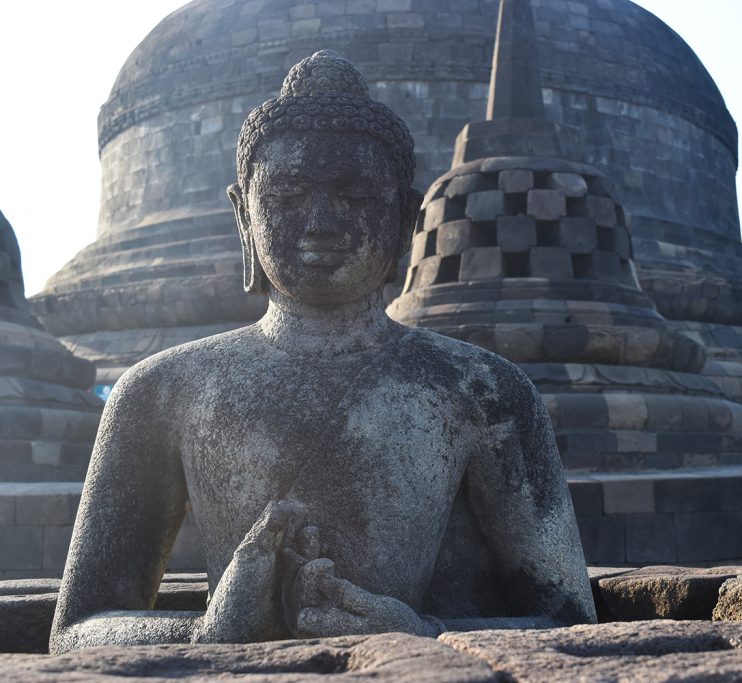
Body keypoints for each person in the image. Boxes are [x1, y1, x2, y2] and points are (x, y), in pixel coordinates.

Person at [50, 51, 596, 653]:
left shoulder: (481, 391)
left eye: (356, 195)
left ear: (403, 219)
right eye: (285, 196)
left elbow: (568, 619)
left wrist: (421, 633)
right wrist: (208, 633)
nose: (320, 223)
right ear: (244, 217)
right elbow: (76, 631)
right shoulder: (160, 391)